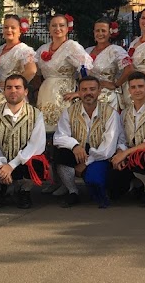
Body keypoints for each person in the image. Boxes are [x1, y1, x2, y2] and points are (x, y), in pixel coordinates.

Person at [0, 74, 48, 208]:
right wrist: (0, 165)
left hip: (21, 162)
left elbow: (36, 145)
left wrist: (12, 165)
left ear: (25, 91)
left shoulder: (36, 114)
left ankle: (24, 191)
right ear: (4, 91)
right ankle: (0, 189)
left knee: (37, 162)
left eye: (18, 87)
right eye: (9, 87)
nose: (13, 91)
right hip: (0, 163)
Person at [52, 76, 122, 208]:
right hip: (79, 152)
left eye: (92, 89)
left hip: (100, 156)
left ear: (99, 91)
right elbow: (59, 136)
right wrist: (74, 146)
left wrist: (86, 163)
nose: (88, 93)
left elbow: (108, 147)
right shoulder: (69, 111)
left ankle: (101, 184)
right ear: (79, 91)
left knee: (95, 181)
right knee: (60, 153)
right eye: (84, 89)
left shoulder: (110, 113)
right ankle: (73, 191)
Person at [110, 71, 145, 207]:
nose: (137, 90)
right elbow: (122, 139)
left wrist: (126, 153)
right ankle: (135, 182)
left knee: (140, 156)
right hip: (131, 152)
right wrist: (120, 152)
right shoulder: (125, 113)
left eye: (141, 86)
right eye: (134, 87)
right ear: (129, 90)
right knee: (113, 189)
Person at [34, 14, 92, 133]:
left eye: (61, 25)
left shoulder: (72, 47)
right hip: (45, 93)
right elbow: (36, 72)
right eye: (54, 25)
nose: (57, 28)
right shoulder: (42, 49)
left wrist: (80, 92)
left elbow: (86, 68)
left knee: (64, 128)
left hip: (64, 94)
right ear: (49, 29)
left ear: (67, 28)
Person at [0, 14, 37, 108]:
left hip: (11, 97)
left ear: (20, 31)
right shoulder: (1, 48)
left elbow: (32, 71)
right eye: (6, 27)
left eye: (13, 27)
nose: (9, 30)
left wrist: (12, 85)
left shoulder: (23, 50)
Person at [82, 18, 129, 111]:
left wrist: (116, 84)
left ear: (110, 33)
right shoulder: (87, 51)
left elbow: (129, 69)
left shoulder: (116, 50)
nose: (100, 34)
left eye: (103, 31)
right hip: (88, 97)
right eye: (97, 31)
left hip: (107, 97)